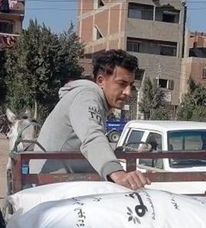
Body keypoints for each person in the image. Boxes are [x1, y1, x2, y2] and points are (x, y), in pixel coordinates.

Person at [33, 49, 150, 190]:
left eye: (131, 85)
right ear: (101, 81)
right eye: (122, 84)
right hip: (49, 187)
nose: (128, 92)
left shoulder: (94, 100)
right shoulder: (87, 97)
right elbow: (92, 136)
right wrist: (118, 174)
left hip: (63, 182)